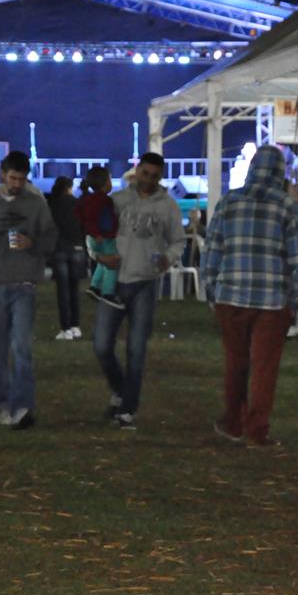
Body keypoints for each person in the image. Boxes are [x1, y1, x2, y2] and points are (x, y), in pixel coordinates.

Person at [203, 145, 298, 447]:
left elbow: (212, 250)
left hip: (230, 297)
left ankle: (233, 423)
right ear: (280, 172)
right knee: (264, 368)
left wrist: (212, 291)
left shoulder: (228, 202)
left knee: (235, 362)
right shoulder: (287, 206)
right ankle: (257, 429)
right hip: (272, 302)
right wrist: (293, 300)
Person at [93, 152, 185, 430]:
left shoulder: (168, 206)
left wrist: (167, 258)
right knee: (101, 345)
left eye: (154, 176)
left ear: (160, 177)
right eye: (145, 174)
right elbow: (96, 231)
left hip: (145, 282)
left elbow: (177, 241)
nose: (148, 180)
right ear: (137, 171)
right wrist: (97, 254)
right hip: (114, 280)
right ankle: (121, 390)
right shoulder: (117, 201)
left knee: (136, 348)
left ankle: (127, 410)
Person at [0, 151, 57, 429]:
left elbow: (51, 238)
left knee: (22, 347)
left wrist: (32, 243)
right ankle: (4, 404)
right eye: (13, 178)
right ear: (2, 174)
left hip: (24, 284)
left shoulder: (35, 204)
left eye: (21, 179)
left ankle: (23, 406)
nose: (17, 184)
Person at [76, 166, 124, 310]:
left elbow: (80, 215)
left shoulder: (86, 199)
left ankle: (95, 286)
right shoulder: (104, 200)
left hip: (92, 238)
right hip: (104, 237)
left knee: (103, 262)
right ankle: (108, 293)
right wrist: (99, 233)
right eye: (110, 179)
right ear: (105, 183)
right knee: (112, 263)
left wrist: (90, 231)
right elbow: (103, 219)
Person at [48, 176, 87, 340]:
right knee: (74, 289)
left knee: (62, 291)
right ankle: (76, 325)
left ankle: (66, 328)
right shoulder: (77, 203)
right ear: (70, 187)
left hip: (60, 248)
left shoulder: (52, 204)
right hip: (77, 247)